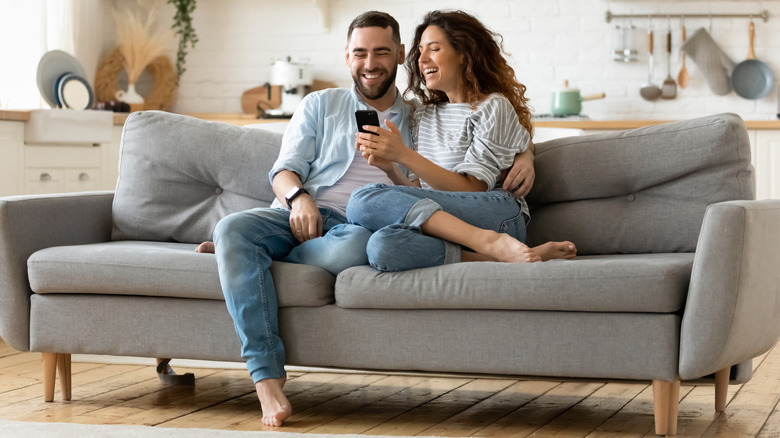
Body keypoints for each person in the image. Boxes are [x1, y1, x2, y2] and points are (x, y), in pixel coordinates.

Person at [212, 11, 537, 427]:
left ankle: (242, 259)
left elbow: (486, 138)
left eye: (382, 52)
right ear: (346, 56)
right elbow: (284, 170)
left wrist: (527, 155)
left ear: (399, 55)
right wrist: (299, 199)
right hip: (304, 214)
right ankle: (266, 378)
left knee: (359, 240)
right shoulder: (321, 104)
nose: (370, 64)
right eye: (360, 53)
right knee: (232, 228)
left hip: (361, 226)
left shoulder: (417, 114)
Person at [348, 10, 576, 272]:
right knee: (382, 246)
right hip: (447, 221)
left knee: (361, 199)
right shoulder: (423, 115)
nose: (421, 59)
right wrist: (390, 168)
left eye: (433, 49)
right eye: (420, 50)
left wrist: (404, 155)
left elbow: (473, 189)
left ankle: (489, 241)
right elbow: (422, 194)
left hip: (495, 215)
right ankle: (498, 255)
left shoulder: (492, 107)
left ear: (464, 54)